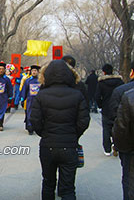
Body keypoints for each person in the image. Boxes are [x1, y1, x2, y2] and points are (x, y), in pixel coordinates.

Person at [31, 60, 90, 200]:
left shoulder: (41, 95)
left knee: (48, 184)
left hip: (47, 145)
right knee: (68, 188)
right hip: (69, 146)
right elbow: (84, 121)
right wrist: (74, 135)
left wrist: (44, 134)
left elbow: (35, 120)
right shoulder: (77, 95)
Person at [110, 61, 134, 199]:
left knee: (130, 185)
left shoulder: (127, 94)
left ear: (131, 72)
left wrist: (122, 149)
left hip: (131, 153)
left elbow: (121, 128)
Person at [95, 63, 124, 156]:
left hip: (106, 108)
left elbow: (97, 96)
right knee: (118, 128)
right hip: (118, 108)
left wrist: (100, 105)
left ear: (103, 72)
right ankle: (117, 146)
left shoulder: (101, 83)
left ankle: (107, 149)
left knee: (106, 129)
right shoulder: (120, 82)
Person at [20, 65, 41, 135]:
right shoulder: (28, 81)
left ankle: (37, 127)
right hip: (30, 100)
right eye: (33, 71)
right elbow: (24, 90)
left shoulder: (41, 81)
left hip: (38, 101)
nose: (34, 72)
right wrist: (23, 99)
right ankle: (30, 127)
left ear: (38, 72)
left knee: (38, 114)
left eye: (35, 71)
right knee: (29, 113)